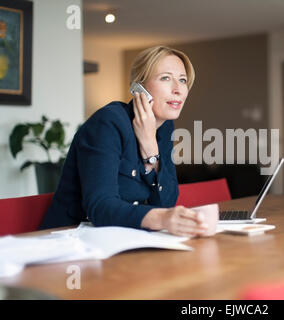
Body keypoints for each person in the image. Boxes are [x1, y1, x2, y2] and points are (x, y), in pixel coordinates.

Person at [40, 46, 209, 237]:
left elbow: (167, 203)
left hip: (126, 238)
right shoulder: (107, 124)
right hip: (70, 242)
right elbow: (100, 208)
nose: (178, 90)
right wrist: (161, 219)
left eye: (183, 80)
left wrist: (150, 147)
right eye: (165, 78)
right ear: (139, 87)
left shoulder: (165, 127)